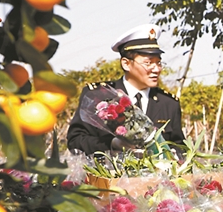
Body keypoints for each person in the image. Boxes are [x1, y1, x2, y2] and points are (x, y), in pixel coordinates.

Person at [67, 24, 185, 155]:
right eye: (148, 63)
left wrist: (172, 155)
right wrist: (112, 144)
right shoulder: (99, 95)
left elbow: (180, 146)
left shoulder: (168, 103)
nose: (156, 69)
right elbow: (75, 141)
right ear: (126, 64)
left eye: (158, 63)